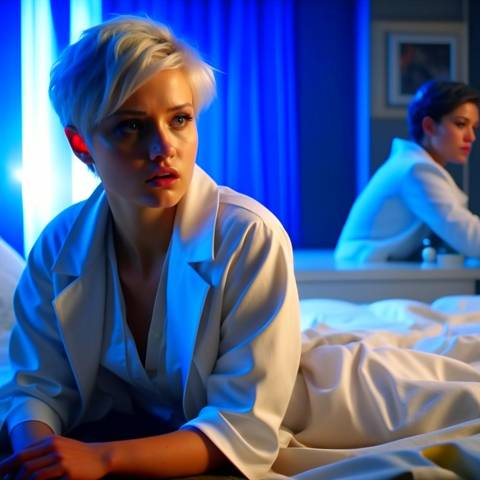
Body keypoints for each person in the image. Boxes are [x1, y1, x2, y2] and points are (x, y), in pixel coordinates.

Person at [0, 15, 301, 479]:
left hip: (333, 400)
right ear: (80, 144)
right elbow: (33, 387)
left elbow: (244, 427)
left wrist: (102, 458)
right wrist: (41, 457)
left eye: (180, 119)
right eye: (131, 127)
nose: (164, 148)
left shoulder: (250, 236)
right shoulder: (58, 244)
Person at [335, 80, 480, 263]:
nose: (471, 137)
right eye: (460, 124)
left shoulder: (412, 164)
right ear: (429, 126)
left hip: (371, 269)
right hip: (364, 273)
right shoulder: (417, 170)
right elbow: (470, 239)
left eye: (474, 128)